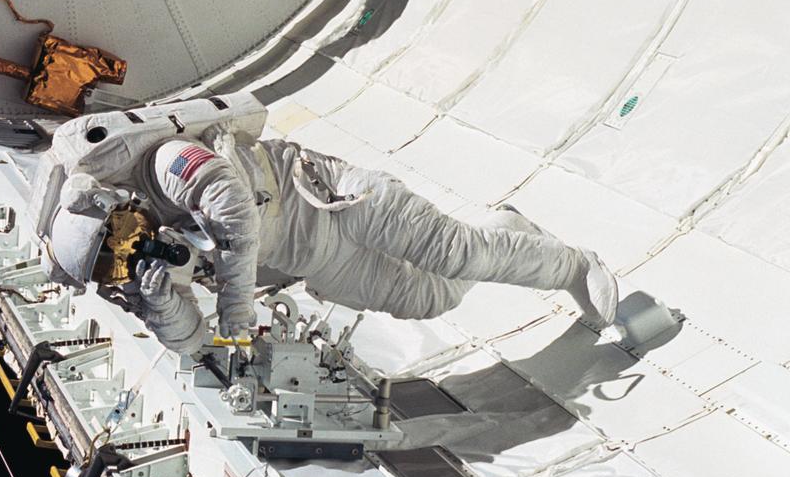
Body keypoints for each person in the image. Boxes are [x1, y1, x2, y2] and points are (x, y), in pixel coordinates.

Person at [43, 128, 619, 355]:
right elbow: (193, 345)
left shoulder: (163, 164)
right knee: (434, 298)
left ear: (114, 210)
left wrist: (235, 303)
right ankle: (510, 231)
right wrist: (166, 306)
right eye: (114, 267)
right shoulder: (148, 271)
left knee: (457, 253)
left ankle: (573, 266)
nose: (130, 254)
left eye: (118, 240)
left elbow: (234, 209)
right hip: (312, 258)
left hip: (332, 200)